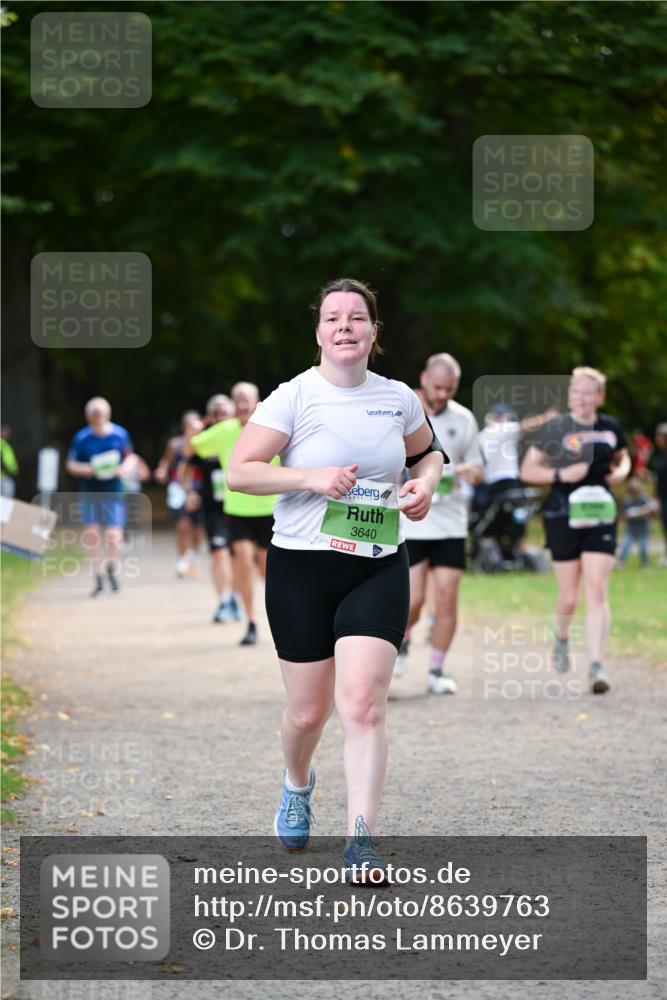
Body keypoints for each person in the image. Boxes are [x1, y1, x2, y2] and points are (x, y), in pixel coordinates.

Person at [226, 278, 446, 878]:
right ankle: (298, 783)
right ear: (319, 332)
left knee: (364, 706)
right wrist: (311, 478)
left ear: (374, 331)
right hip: (302, 567)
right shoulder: (294, 397)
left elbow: (429, 453)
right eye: (333, 318)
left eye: (356, 317)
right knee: (308, 713)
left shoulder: (398, 398)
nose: (345, 326)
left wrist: (425, 484)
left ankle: (361, 841)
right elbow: (240, 472)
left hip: (377, 564)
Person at [520, 367, 631, 694]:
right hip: (562, 514)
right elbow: (527, 470)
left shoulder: (610, 427)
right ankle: (562, 636)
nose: (580, 398)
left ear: (600, 397)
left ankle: (596, 667)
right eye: (575, 391)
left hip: (600, 512)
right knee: (569, 597)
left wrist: (622, 471)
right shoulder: (556, 428)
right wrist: (561, 475)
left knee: (596, 590)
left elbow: (623, 457)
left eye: (587, 392)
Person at [394, 353, 483, 694]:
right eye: (437, 387)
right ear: (424, 379)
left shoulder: (463, 418)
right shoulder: (404, 413)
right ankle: (401, 641)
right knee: (413, 600)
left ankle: (436, 670)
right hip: (412, 522)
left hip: (450, 523)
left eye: (450, 389)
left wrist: (471, 472)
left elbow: (477, 466)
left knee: (446, 599)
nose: (443, 394)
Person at [191, 383, 277, 645]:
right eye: (237, 399)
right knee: (243, 562)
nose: (241, 404)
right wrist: (194, 430)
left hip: (269, 509)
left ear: (257, 401)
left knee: (267, 571)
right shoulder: (224, 430)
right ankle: (250, 621)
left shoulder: (272, 427)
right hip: (237, 510)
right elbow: (193, 446)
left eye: (245, 399)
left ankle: (279, 620)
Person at [66, 397, 136, 597]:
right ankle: (97, 577)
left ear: (108, 415)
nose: (98, 418)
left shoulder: (119, 434)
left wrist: (124, 469)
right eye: (94, 415)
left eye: (101, 414)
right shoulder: (82, 438)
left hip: (113, 491)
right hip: (90, 492)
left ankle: (111, 567)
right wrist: (85, 469)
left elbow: (130, 457)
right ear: (89, 417)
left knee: (114, 536)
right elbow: (71, 464)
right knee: (93, 536)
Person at [183, 395, 241, 623]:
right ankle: (224, 600)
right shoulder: (205, 440)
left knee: (238, 556)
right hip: (212, 507)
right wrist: (190, 492)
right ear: (210, 417)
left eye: (225, 412)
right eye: (217, 413)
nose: (221, 417)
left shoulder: (241, 436)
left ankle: (235, 597)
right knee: (219, 553)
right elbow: (186, 467)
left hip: (239, 506)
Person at [154, 411, 204, 577]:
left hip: (199, 488)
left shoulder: (205, 443)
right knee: (182, 525)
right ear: (183, 427)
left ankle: (194, 555)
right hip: (178, 488)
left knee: (197, 527)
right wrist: (162, 470)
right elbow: (166, 462)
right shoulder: (174, 444)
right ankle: (182, 558)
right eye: (188, 425)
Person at [615, 478, 657, 568]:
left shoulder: (645, 499)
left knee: (643, 547)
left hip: (643, 528)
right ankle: (620, 562)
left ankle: (645, 563)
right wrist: (629, 515)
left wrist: (638, 512)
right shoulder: (627, 500)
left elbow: (652, 508)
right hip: (631, 528)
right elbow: (622, 516)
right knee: (625, 546)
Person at [0, 426, 19, 498]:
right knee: (6, 501)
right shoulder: (4, 445)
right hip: (3, 479)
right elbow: (10, 465)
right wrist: (14, 470)